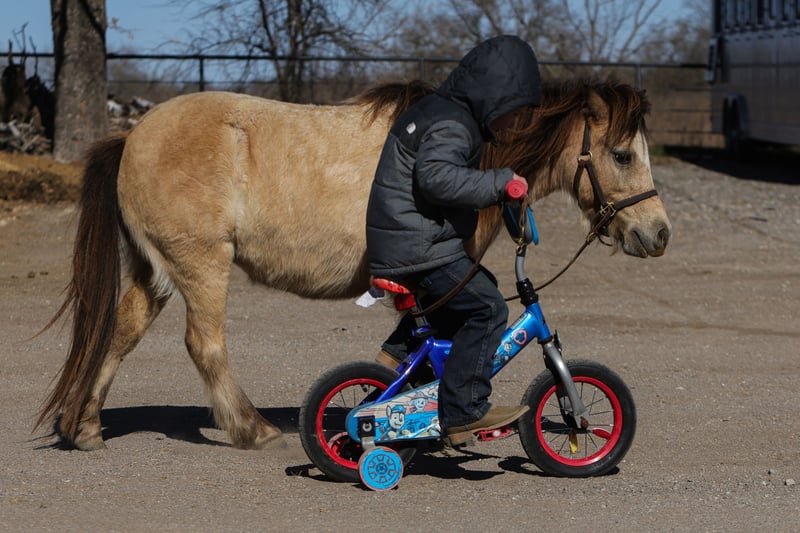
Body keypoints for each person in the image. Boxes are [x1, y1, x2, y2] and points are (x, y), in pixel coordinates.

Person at [365, 35, 541, 447]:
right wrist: (501, 183)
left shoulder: (441, 112)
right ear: (494, 95)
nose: (512, 123)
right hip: (418, 246)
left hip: (409, 239)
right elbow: (437, 178)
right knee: (488, 309)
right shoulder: (453, 124)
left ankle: (400, 352)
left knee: (474, 291)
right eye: (512, 112)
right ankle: (464, 413)